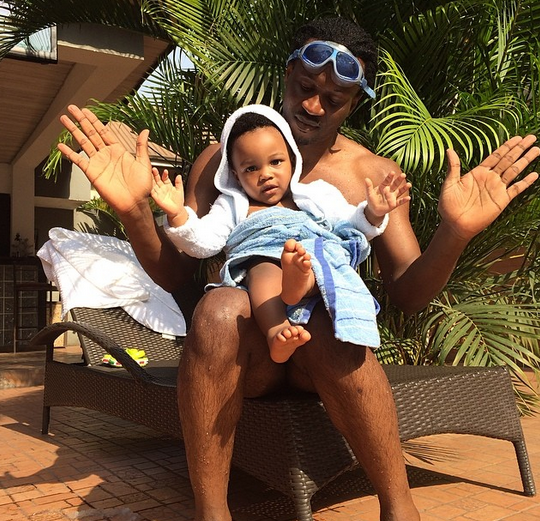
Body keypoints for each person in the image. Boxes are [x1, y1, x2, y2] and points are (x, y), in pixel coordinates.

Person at [57, 16, 539, 521]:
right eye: (306, 87)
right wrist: (134, 211)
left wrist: (455, 233)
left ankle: (400, 509)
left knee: (331, 319)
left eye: (333, 99)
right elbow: (178, 272)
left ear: (354, 103)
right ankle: (211, 513)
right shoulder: (224, 161)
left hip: (322, 354)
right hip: (248, 358)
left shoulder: (370, 175)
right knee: (219, 309)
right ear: (288, 73)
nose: (313, 106)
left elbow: (408, 293)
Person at [150, 104, 411, 363]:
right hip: (264, 256)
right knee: (263, 270)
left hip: (312, 257)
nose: (265, 175)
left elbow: (350, 224)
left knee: (318, 265)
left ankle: (299, 283)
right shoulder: (232, 204)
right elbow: (205, 240)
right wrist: (178, 214)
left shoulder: (315, 193)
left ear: (292, 160)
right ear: (236, 176)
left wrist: (373, 212)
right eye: (251, 168)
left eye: (276, 162)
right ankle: (277, 330)